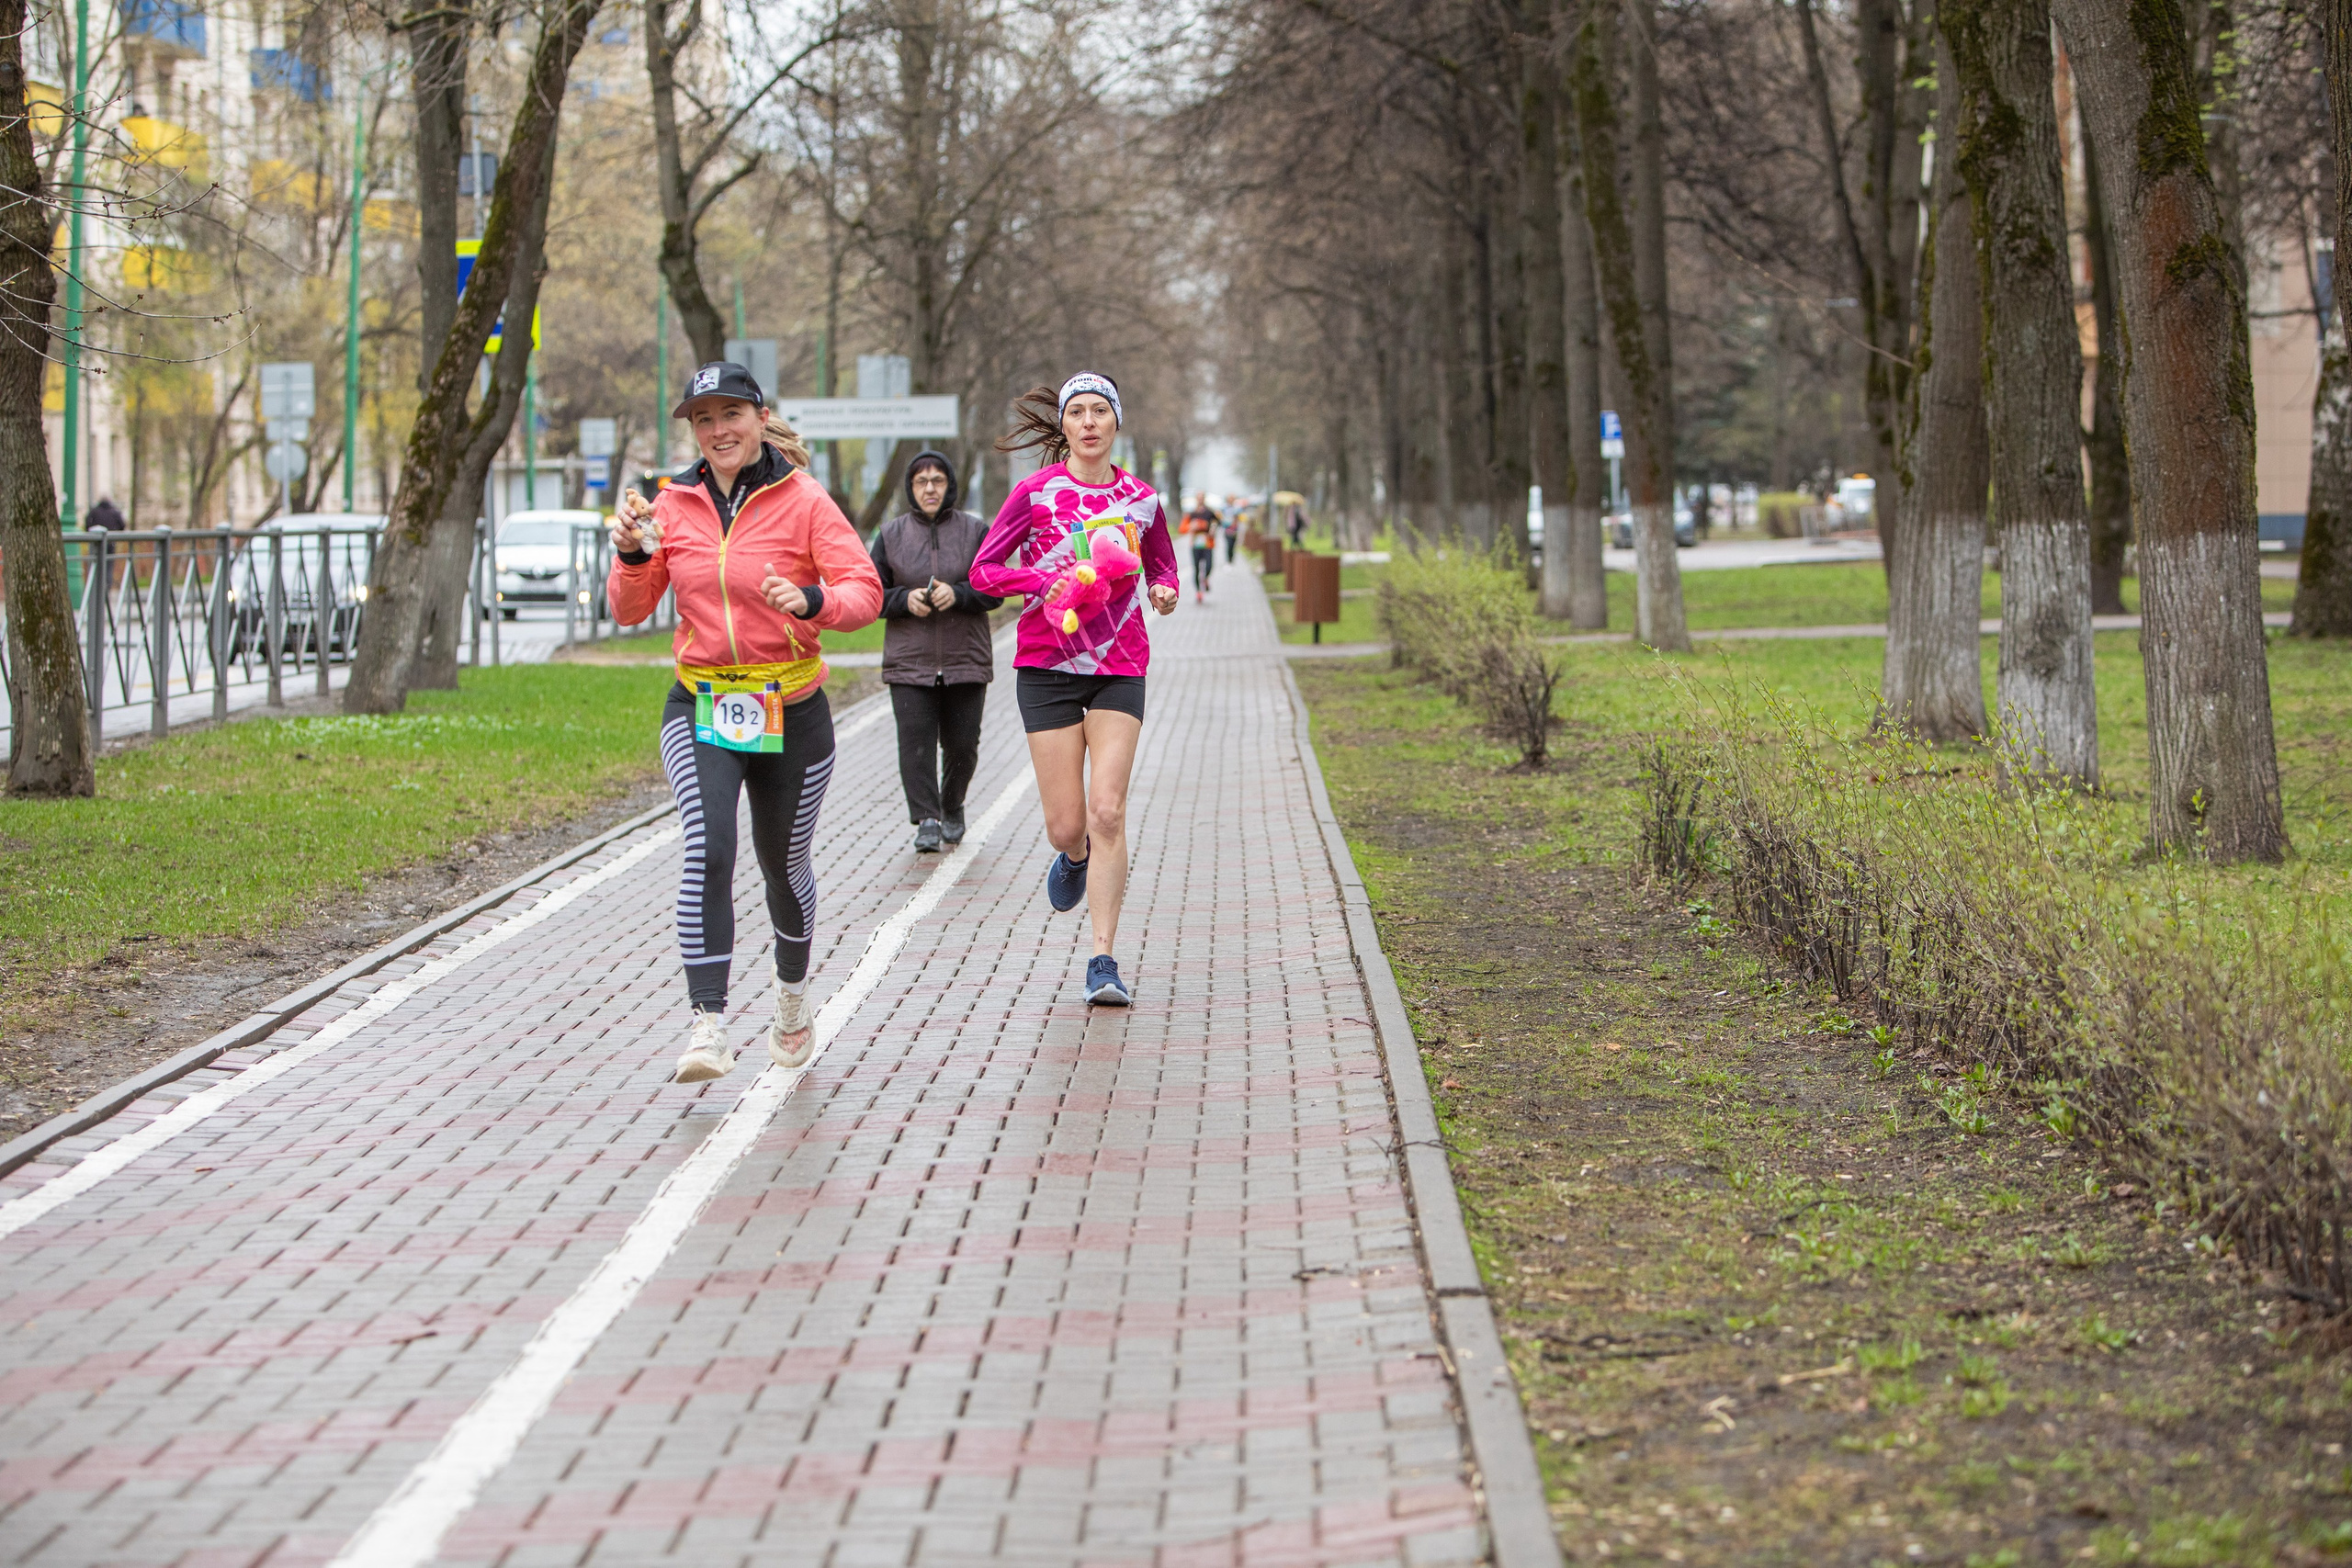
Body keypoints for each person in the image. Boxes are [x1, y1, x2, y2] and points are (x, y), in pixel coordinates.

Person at [606, 360, 882, 1083]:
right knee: (708, 845)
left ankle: (791, 994)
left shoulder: (805, 500)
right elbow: (629, 609)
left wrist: (814, 601)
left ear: (761, 418)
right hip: (702, 703)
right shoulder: (672, 505)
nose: (718, 430)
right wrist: (630, 554)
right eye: (704, 419)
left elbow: (865, 589)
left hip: (791, 707)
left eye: (731, 414)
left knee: (783, 866)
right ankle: (708, 1023)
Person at [969, 372, 1178, 1006]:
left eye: (1099, 411)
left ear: (1116, 422)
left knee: (1107, 809)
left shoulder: (1142, 499)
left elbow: (1162, 564)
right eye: (1077, 412)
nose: (1089, 422)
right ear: (1063, 425)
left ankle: (1103, 960)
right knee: (1067, 826)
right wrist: (1041, 580)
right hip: (1047, 666)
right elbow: (984, 571)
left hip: (1120, 665)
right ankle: (1075, 856)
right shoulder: (1035, 494)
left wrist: (1163, 589)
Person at [871, 449, 1001, 853]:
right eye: (921, 481)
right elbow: (870, 594)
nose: (930, 488)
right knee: (916, 746)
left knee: (963, 745)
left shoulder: (975, 532)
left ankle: (952, 804)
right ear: (910, 488)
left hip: (966, 659)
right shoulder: (890, 535)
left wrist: (959, 594)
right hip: (909, 662)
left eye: (938, 480)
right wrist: (904, 599)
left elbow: (996, 588)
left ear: (950, 485)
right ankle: (926, 818)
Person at [1179, 494, 1220, 603]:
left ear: (1204, 499)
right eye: (1198, 498)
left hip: (1208, 544)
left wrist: (1213, 529)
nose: (1200, 499)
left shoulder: (1210, 512)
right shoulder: (1192, 513)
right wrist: (1191, 526)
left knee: (1209, 565)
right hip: (1196, 544)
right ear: (1196, 499)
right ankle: (1198, 592)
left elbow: (1217, 522)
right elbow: (1182, 529)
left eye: (1202, 497)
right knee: (1196, 568)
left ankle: (1205, 579)